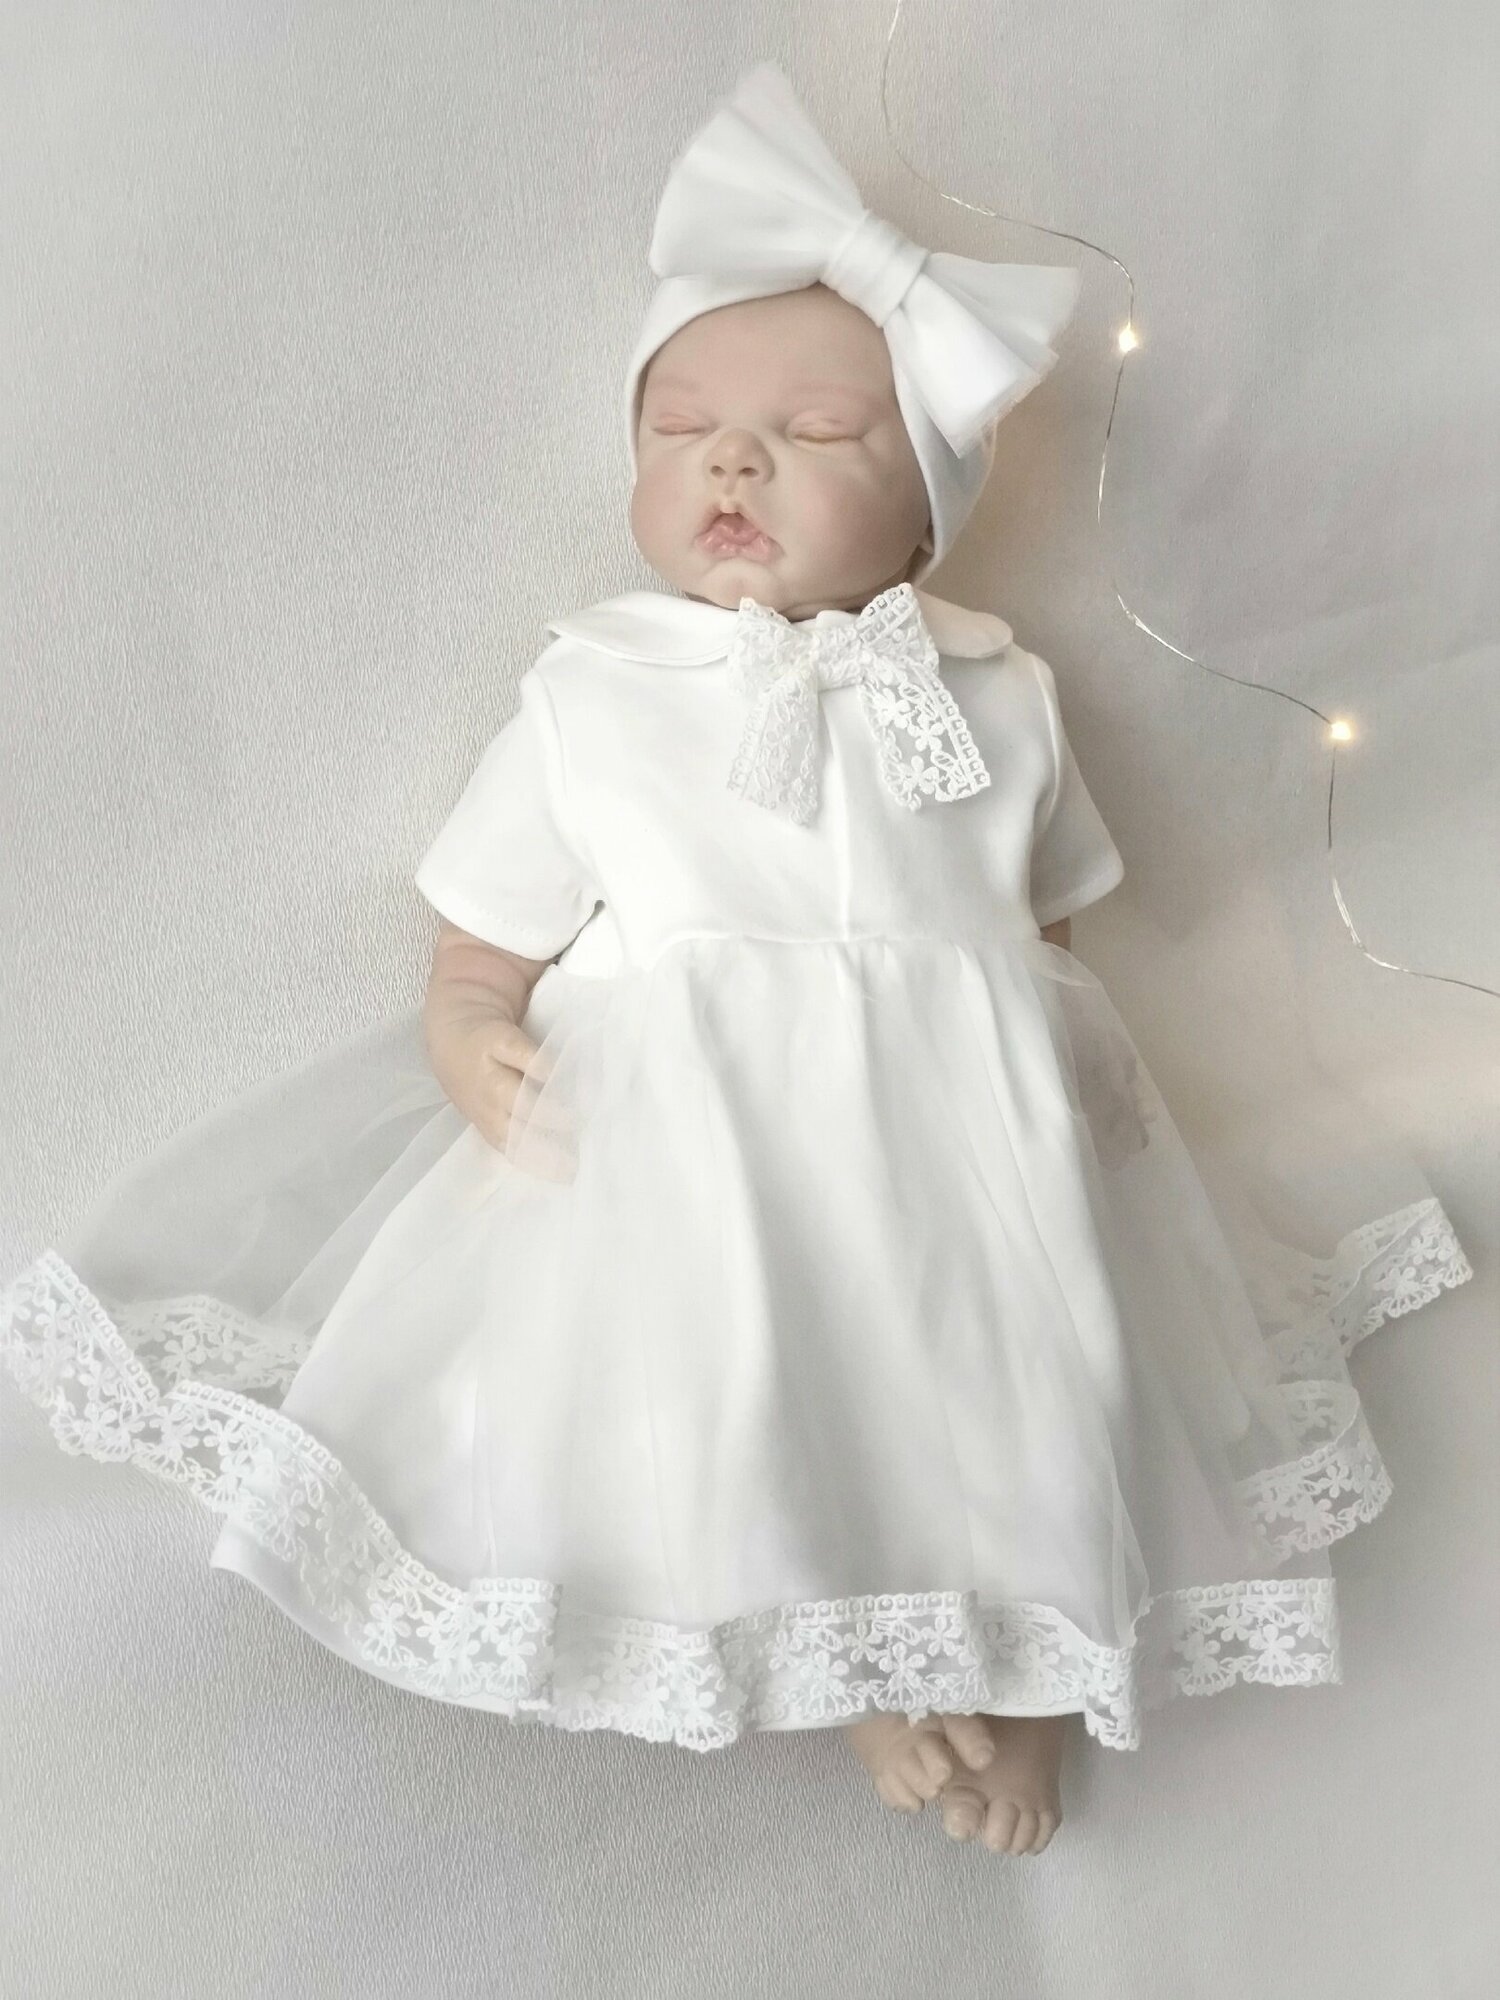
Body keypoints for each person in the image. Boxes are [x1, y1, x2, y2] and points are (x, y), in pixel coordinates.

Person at [1, 62, 1472, 1861]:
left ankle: (1021, 1684)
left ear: (924, 516)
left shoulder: (998, 684)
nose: (731, 458)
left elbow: (1049, 923)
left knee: (1036, 1392)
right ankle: (849, 1668)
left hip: (969, 1139)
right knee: (733, 1397)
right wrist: (469, 1023)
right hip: (698, 1138)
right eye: (680, 426)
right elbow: (485, 924)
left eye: (817, 433)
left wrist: (1076, 1084)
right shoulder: (597, 690)